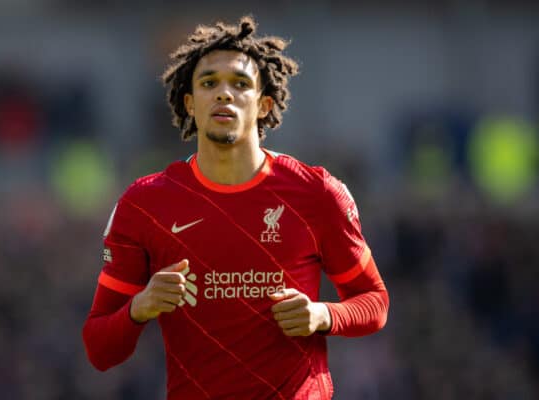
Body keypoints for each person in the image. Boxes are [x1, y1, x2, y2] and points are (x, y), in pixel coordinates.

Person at [82, 16, 389, 400]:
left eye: (240, 84)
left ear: (264, 105)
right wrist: (138, 308)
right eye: (209, 83)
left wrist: (324, 315)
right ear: (190, 104)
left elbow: (375, 302)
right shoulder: (144, 204)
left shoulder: (317, 193)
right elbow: (99, 348)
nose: (224, 94)